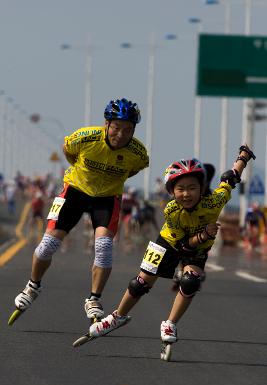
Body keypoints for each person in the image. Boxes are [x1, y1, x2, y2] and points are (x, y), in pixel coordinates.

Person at [88, 144, 255, 345]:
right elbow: (184, 247)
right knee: (140, 284)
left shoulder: (214, 202)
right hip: (169, 241)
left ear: (201, 189)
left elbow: (230, 178)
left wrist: (243, 157)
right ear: (172, 192)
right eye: (181, 189)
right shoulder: (172, 211)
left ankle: (170, 323)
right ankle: (117, 317)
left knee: (191, 281)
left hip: (199, 247)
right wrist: (203, 235)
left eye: (192, 188)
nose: (186, 194)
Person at [12, 98, 149, 321]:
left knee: (104, 246)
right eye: (116, 128)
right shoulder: (85, 138)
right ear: (106, 124)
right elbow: (68, 152)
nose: (121, 135)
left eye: (128, 129)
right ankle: (32, 286)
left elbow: (133, 170)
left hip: (106, 198)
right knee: (48, 245)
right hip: (75, 191)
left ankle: (94, 298)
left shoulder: (139, 153)